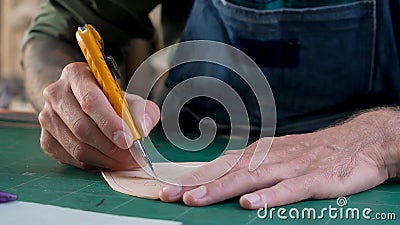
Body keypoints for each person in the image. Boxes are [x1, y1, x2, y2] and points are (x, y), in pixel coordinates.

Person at [22, 0, 400, 210]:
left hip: (371, 167)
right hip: (184, 140)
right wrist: (78, 105)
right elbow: (60, 29)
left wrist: (382, 140)